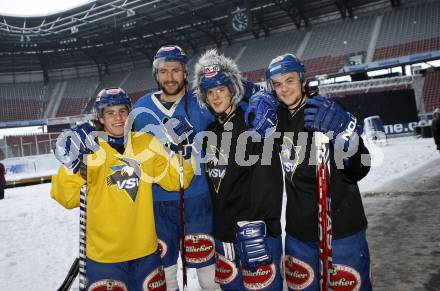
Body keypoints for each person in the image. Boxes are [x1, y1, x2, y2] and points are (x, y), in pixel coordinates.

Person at [246, 53, 373, 290]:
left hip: (341, 230)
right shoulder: (276, 119)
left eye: (290, 80)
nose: (284, 89)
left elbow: (360, 168)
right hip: (298, 234)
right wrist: (255, 106)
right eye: (277, 84)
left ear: (303, 80)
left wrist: (344, 136)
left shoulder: (326, 111)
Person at [51, 87, 195, 290]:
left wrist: (185, 151)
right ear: (100, 118)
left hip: (146, 254)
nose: (118, 118)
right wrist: (70, 167)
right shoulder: (89, 149)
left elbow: (176, 180)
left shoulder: (146, 143)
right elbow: (67, 198)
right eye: (110, 113)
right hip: (104, 258)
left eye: (122, 111)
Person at [132, 45, 221, 291]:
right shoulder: (140, 108)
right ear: (156, 75)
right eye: (164, 71)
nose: (170, 77)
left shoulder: (203, 100)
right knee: (166, 275)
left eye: (176, 70)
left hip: (198, 200)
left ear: (184, 73)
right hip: (158, 204)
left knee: (208, 275)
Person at [193, 49, 284, 290]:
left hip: (257, 233)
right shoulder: (210, 131)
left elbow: (270, 179)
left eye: (220, 90)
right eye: (210, 92)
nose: (215, 97)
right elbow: (217, 184)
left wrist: (262, 225)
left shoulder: (253, 121)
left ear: (232, 90)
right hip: (225, 237)